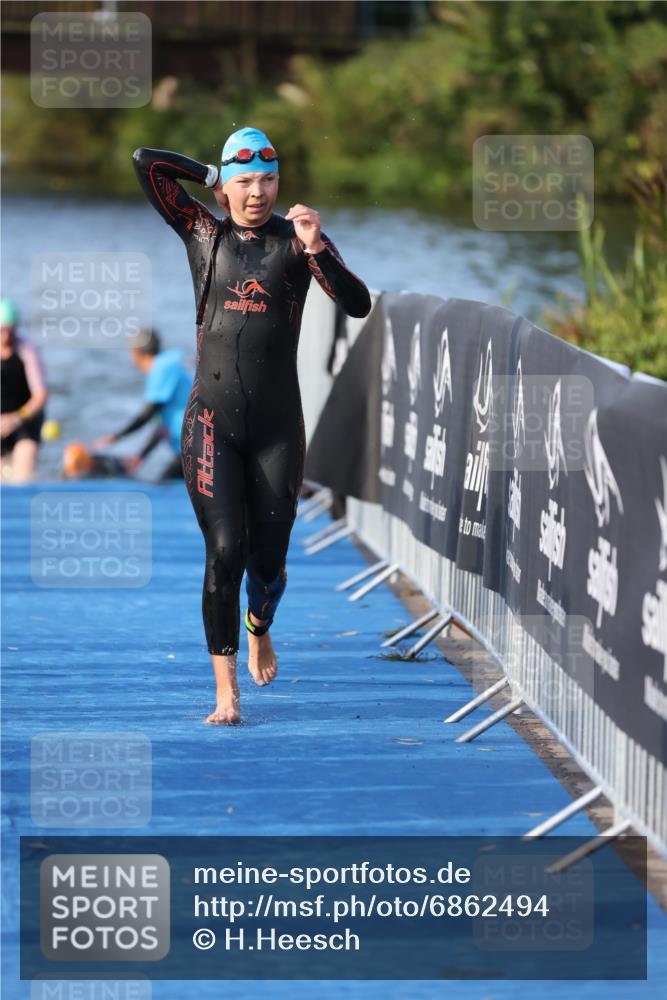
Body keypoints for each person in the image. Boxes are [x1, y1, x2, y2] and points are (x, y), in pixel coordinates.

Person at [132, 125, 372, 725]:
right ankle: (225, 692)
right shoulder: (201, 231)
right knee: (224, 551)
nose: (257, 192)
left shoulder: (297, 243)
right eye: (244, 181)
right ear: (226, 187)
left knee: (267, 562)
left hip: (276, 429)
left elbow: (358, 303)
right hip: (209, 420)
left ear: (279, 183)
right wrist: (210, 178)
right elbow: (147, 163)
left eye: (267, 179)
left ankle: (260, 624)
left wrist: (318, 249)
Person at [93, 329, 192, 479]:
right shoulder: (167, 366)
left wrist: (114, 437)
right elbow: (163, 427)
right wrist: (141, 456)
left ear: (136, 353)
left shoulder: (162, 368)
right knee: (166, 485)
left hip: (192, 447)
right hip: (190, 447)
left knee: (163, 490)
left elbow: (148, 413)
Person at [0, 298, 48, 484]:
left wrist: (16, 418)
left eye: (10, 330)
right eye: (2, 330)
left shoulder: (27, 350)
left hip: (25, 419)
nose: (6, 336)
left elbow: (40, 395)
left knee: (22, 478)